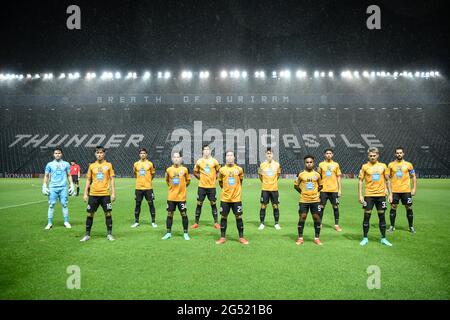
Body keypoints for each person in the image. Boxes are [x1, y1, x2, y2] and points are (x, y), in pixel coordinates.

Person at [80, 146, 116, 242]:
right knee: (90, 214)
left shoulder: (109, 165)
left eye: (101, 153)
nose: (99, 154)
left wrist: (113, 193)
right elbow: (88, 180)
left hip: (105, 194)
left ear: (104, 154)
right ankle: (87, 234)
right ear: (95, 154)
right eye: (97, 153)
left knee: (108, 213)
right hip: (93, 194)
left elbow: (112, 179)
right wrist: (85, 193)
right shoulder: (92, 166)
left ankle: (109, 234)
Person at [358, 147, 392, 246]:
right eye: (370, 156)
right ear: (368, 156)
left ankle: (383, 238)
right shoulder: (364, 166)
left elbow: (387, 180)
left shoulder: (383, 166)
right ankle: (365, 238)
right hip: (369, 195)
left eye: (374, 155)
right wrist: (360, 195)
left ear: (378, 155)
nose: (372, 157)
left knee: (382, 216)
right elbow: (360, 181)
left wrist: (390, 194)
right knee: (367, 216)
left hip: (381, 195)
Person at [216, 151, 248, 245]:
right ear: (225, 157)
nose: (230, 157)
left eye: (231, 155)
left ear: (234, 157)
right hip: (225, 199)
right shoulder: (222, 170)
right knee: (223, 217)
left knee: (238, 216)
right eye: (228, 155)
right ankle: (222, 237)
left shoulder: (239, 169)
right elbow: (221, 182)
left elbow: (240, 181)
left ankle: (241, 237)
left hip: (236, 199)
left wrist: (236, 191)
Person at [42, 147, 74, 230]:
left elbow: (69, 175)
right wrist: (44, 185)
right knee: (51, 205)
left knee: (64, 204)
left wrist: (72, 185)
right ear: (53, 154)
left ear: (61, 154)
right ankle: (49, 223)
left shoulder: (66, 164)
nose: (57, 154)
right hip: (53, 188)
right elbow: (46, 175)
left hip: (63, 187)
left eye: (59, 153)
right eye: (56, 153)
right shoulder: (49, 164)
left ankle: (66, 222)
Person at [294, 155, 323, 245]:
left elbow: (321, 186)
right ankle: (300, 238)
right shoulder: (301, 174)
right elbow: (296, 185)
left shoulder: (317, 174)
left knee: (316, 218)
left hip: (315, 200)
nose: (309, 164)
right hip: (304, 201)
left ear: (313, 163)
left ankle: (317, 238)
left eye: (311, 162)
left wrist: (315, 193)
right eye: (307, 162)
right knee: (302, 217)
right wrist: (303, 192)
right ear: (304, 163)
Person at [162, 152, 191, 240]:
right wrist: (172, 188)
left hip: (181, 197)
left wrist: (182, 188)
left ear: (181, 159)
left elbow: (188, 181)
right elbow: (167, 181)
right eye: (174, 157)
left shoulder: (185, 169)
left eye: (178, 157)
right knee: (170, 214)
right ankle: (168, 233)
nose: (176, 159)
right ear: (172, 159)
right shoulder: (168, 170)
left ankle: (185, 233)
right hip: (171, 197)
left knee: (184, 214)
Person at [387, 147, 417, 233]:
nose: (399, 154)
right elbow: (387, 178)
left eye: (400, 153)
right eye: (397, 153)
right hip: (394, 191)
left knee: (409, 207)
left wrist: (414, 188)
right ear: (395, 154)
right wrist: (388, 191)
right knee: (393, 207)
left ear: (403, 154)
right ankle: (392, 226)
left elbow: (413, 176)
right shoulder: (391, 165)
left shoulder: (408, 164)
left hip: (406, 190)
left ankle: (411, 227)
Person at [192, 145, 221, 229]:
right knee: (199, 204)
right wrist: (199, 178)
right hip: (201, 187)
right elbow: (195, 172)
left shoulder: (214, 161)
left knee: (213, 204)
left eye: (208, 149)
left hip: (211, 187)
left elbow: (219, 171)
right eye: (205, 149)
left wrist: (215, 178)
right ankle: (196, 223)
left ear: (210, 151)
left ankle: (216, 222)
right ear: (202, 151)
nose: (206, 151)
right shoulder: (199, 161)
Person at [131, 148, 157, 228]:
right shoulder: (136, 164)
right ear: (139, 155)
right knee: (138, 204)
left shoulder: (150, 164)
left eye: (144, 153)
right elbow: (135, 174)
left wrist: (148, 181)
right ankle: (136, 222)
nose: (142, 154)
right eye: (141, 153)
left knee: (151, 204)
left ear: (146, 154)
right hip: (138, 188)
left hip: (148, 188)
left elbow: (153, 174)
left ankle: (153, 222)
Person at [258, 147, 282, 230]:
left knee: (275, 206)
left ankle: (276, 223)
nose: (269, 155)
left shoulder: (277, 164)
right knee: (263, 205)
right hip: (265, 189)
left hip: (274, 189)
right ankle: (261, 223)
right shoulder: (262, 165)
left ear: (273, 155)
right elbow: (260, 176)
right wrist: (265, 182)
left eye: (270, 153)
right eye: (268, 153)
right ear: (265, 154)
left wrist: (273, 182)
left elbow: (278, 175)